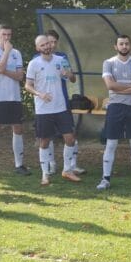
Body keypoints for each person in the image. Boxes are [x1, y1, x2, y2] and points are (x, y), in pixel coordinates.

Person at [24, 35, 82, 186]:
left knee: (70, 138)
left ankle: (67, 170)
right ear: (38, 48)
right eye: (42, 45)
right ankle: (45, 174)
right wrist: (39, 94)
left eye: (48, 43)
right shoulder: (33, 63)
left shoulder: (60, 60)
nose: (46, 47)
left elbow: (73, 78)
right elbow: (27, 85)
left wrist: (68, 74)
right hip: (43, 109)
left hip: (61, 106)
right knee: (44, 141)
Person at [97, 34, 131, 191]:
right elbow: (110, 86)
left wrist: (122, 87)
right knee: (111, 143)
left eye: (126, 43)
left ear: (130, 46)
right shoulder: (108, 63)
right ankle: (105, 179)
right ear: (116, 46)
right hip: (115, 107)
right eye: (121, 44)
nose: (124, 46)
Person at [0, 23, 31, 176]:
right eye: (4, 34)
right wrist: (6, 52)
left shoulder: (16, 53)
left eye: (9, 35)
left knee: (18, 128)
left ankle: (19, 164)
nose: (6, 38)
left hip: (14, 96)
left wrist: (3, 70)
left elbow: (19, 76)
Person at [44, 29, 85, 176]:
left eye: (55, 42)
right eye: (49, 42)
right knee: (46, 135)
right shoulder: (37, 58)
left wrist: (69, 74)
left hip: (62, 101)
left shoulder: (62, 57)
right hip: (46, 103)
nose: (52, 45)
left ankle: (71, 166)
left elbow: (72, 78)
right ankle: (50, 164)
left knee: (70, 133)